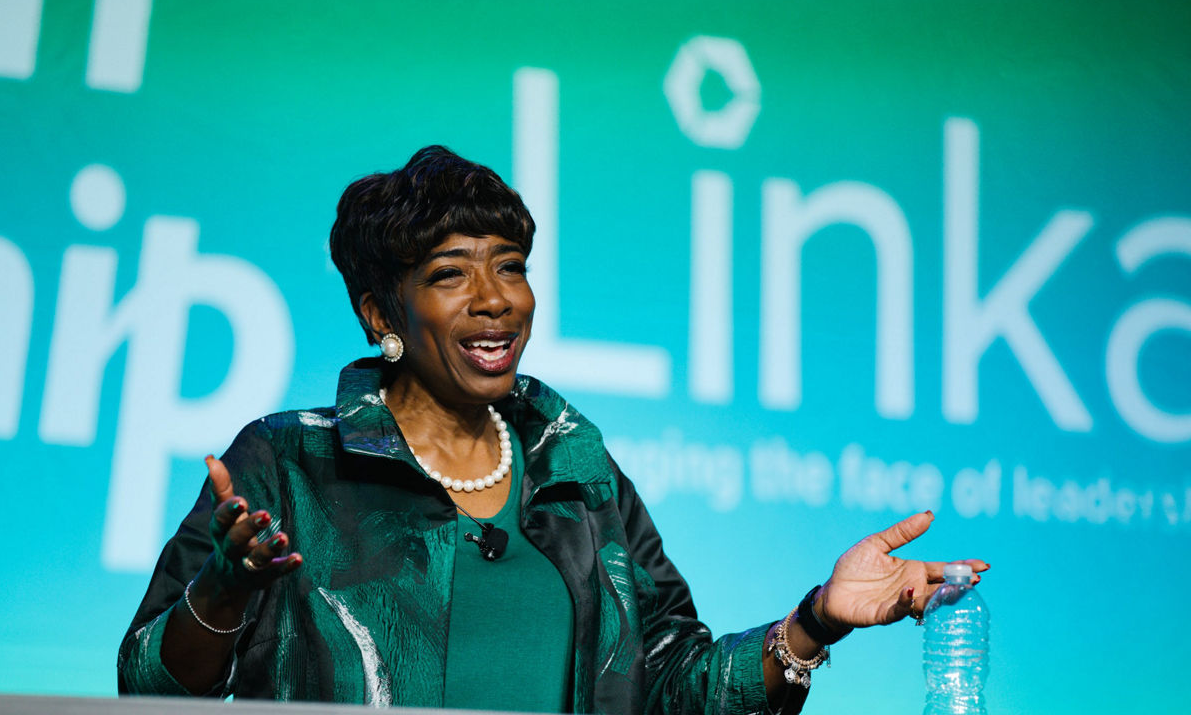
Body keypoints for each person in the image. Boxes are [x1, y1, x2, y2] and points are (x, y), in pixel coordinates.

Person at [118, 146, 988, 714]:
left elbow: (672, 682)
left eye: (511, 268)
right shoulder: (289, 461)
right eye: (452, 274)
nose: (496, 299)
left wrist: (814, 623)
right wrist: (225, 591)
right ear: (381, 310)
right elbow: (147, 683)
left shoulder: (574, 466)